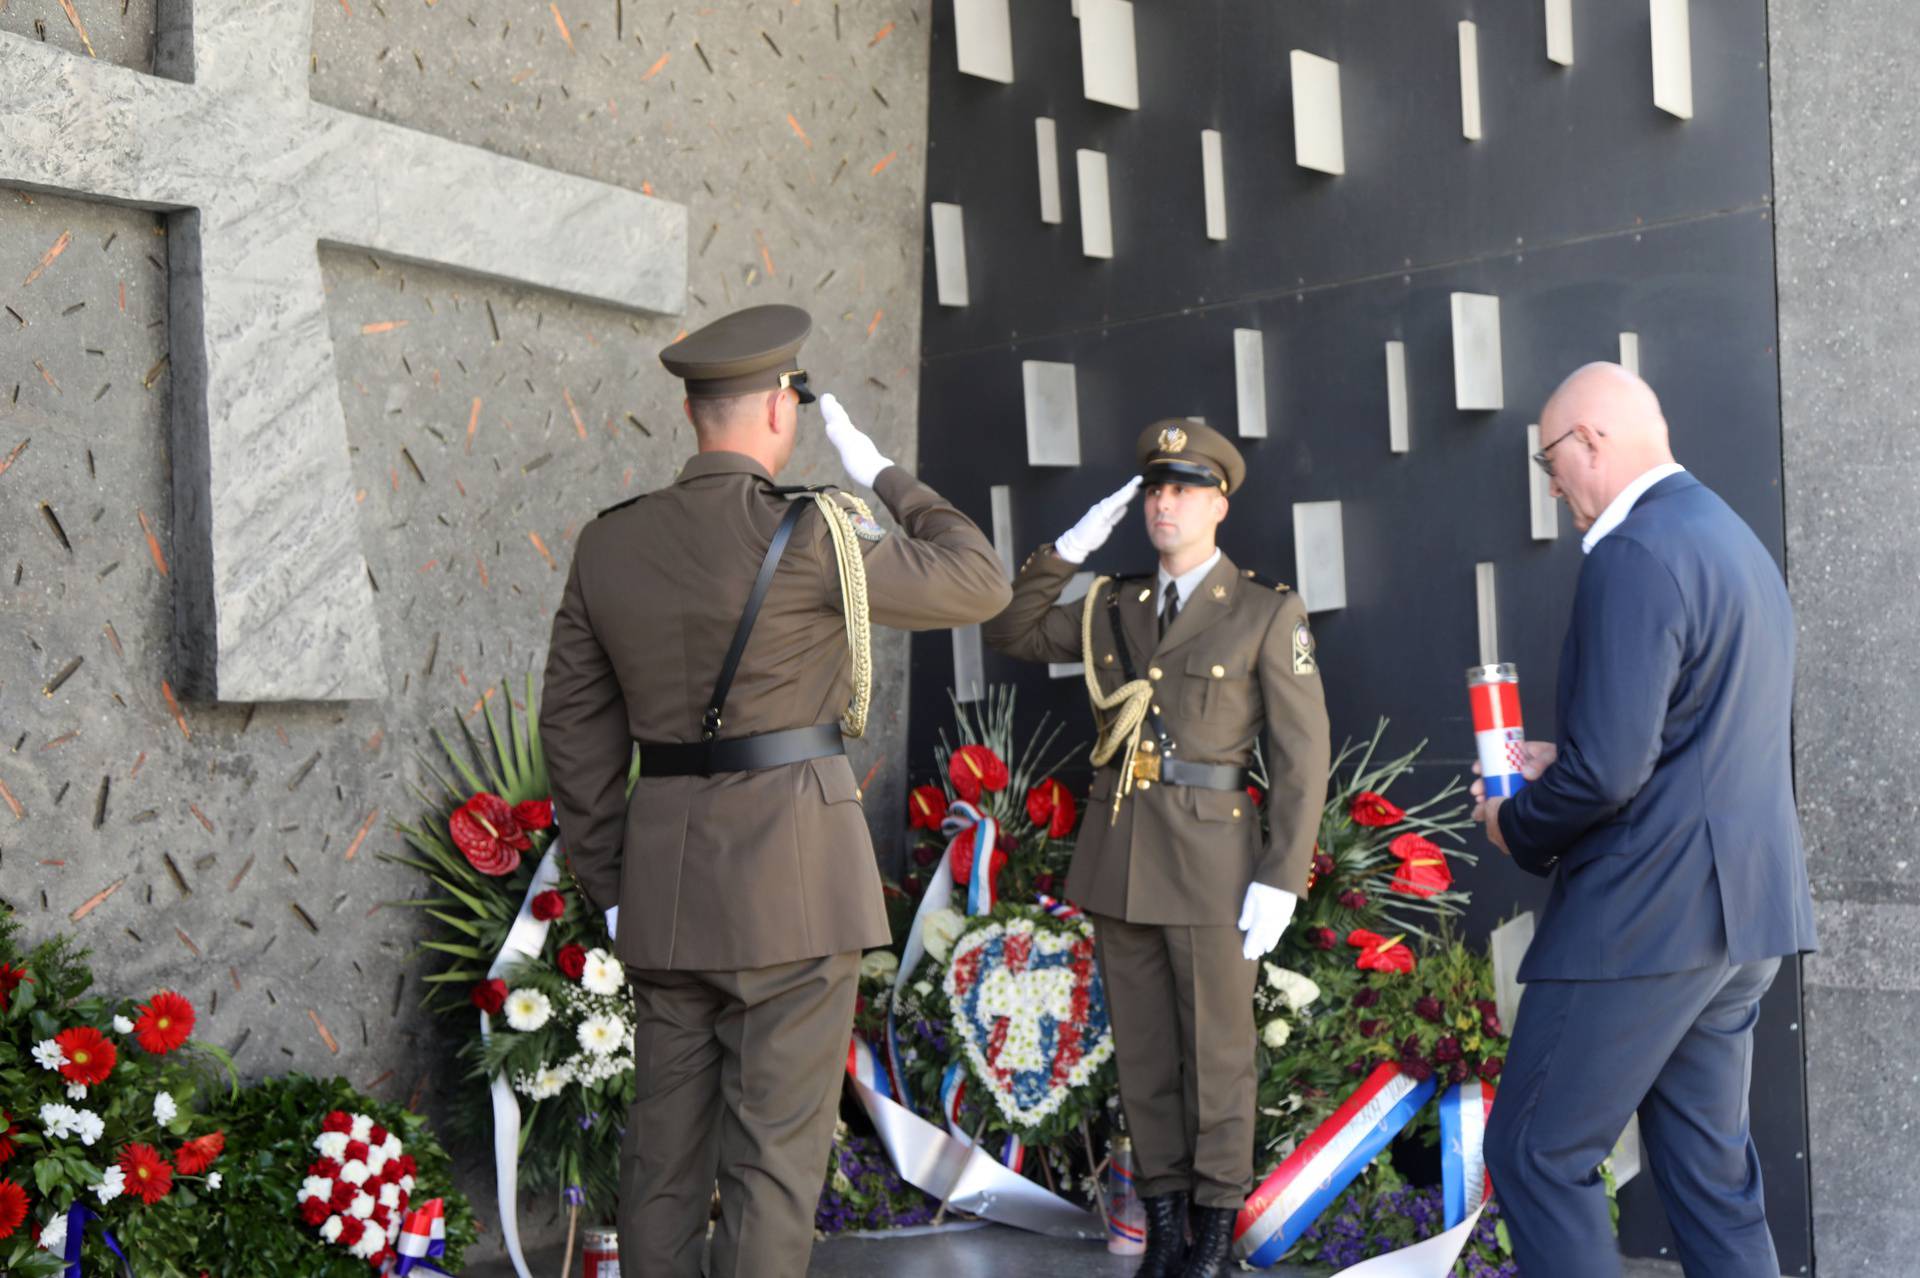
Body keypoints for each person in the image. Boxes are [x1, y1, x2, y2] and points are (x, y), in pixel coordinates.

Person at [539, 303, 1011, 1278]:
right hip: (794, 893)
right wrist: (885, 475)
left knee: (661, 1159)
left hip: (665, 891)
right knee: (770, 1168)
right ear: (777, 414)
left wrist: (612, 882)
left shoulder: (608, 544)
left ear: (691, 413)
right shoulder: (812, 534)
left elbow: (574, 737)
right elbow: (979, 580)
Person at [1472, 363, 1817, 1277]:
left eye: (1552, 460)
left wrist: (1521, 824)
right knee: (1711, 1180)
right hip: (1743, 921)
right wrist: (1571, 760)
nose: (1552, 485)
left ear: (1591, 439)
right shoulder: (1733, 538)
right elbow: (1685, 739)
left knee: (1535, 1155)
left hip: (1646, 922)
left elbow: (1612, 773)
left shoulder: (1631, 550)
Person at [983, 420, 1329, 1278]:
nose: (1163, 502)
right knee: (1142, 1056)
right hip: (1122, 853)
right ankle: (1165, 1226)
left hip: (1215, 865)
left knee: (1217, 1055)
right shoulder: (1114, 603)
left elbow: (1300, 756)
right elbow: (1012, 630)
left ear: (1218, 502)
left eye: (1183, 488)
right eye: (1154, 488)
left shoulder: (1262, 610)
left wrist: (1281, 878)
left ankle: (1213, 1234)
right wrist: (1066, 549)